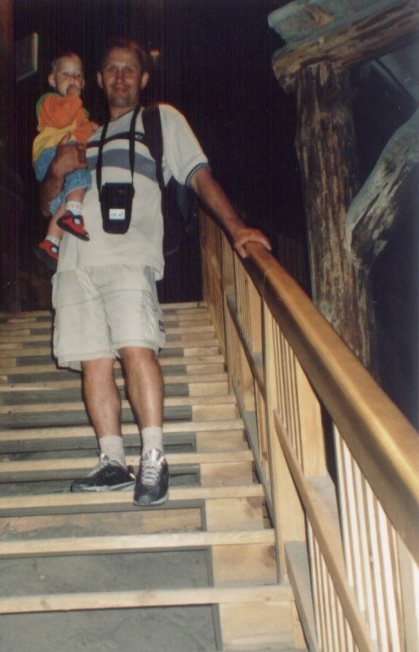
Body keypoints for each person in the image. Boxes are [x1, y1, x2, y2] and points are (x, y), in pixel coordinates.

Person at [40, 38, 271, 506]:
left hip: (128, 257)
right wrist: (57, 171)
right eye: (111, 69)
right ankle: (111, 461)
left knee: (136, 349)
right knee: (93, 361)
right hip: (75, 262)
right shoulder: (81, 132)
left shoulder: (160, 120)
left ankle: (153, 457)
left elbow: (198, 175)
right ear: (98, 79)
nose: (120, 77)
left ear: (144, 78)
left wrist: (236, 227)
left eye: (130, 69)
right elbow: (49, 201)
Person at [32, 52, 97, 271]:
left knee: (66, 197)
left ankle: (51, 242)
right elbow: (62, 118)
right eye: (65, 74)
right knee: (81, 173)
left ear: (84, 82)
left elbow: (81, 132)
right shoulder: (48, 101)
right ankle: (75, 216)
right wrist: (73, 97)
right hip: (50, 152)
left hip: (63, 152)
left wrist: (92, 128)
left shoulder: (79, 109)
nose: (72, 79)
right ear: (52, 80)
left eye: (77, 75)